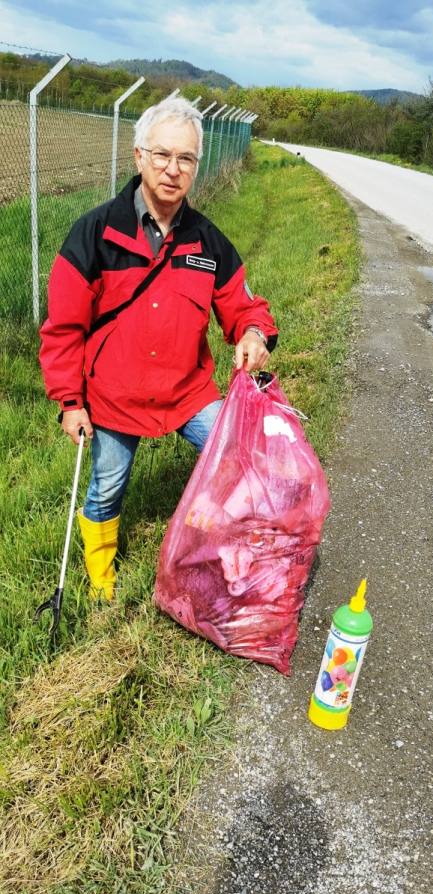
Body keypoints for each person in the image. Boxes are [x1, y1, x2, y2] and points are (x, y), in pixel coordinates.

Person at [39, 97, 278, 600]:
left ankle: (218, 550)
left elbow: (245, 305)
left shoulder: (209, 242)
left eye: (186, 158)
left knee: (239, 452)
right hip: (112, 396)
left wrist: (254, 333)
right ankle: (100, 579)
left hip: (187, 392)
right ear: (139, 157)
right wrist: (70, 401)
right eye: (163, 155)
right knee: (106, 487)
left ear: (196, 165)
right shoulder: (93, 233)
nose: (173, 170)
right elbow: (62, 329)